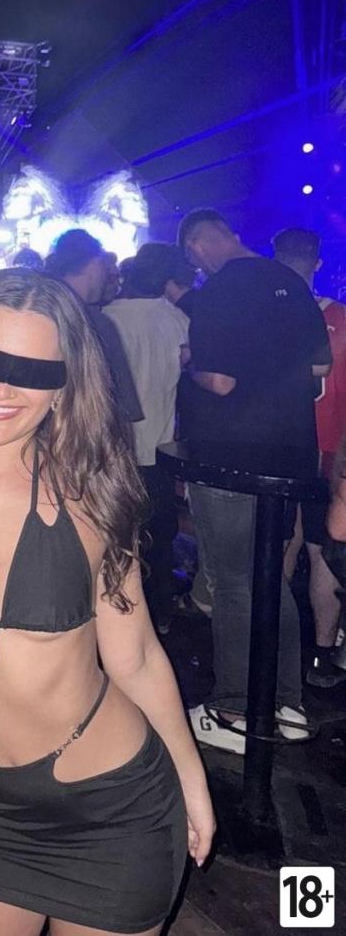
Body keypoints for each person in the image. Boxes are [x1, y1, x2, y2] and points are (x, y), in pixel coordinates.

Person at [0, 268, 212, 936]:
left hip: (112, 813)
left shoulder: (88, 491)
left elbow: (135, 656)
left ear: (65, 385)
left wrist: (192, 778)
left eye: (34, 371)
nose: (4, 389)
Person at [179, 208, 331, 753]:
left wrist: (189, 365)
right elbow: (319, 368)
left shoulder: (218, 291)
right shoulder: (289, 281)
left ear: (198, 245)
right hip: (289, 456)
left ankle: (235, 709)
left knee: (233, 582)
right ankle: (286, 705)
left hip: (230, 456)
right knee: (271, 579)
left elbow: (219, 381)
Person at [104, 243, 191, 633]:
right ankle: (159, 614)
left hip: (116, 448)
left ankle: (118, 616)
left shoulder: (108, 317)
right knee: (161, 534)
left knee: (117, 535)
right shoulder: (177, 319)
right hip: (160, 446)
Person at [273, 227, 346, 687]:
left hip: (278, 447)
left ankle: (270, 641)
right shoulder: (341, 317)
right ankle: (322, 653)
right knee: (323, 550)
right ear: (317, 263)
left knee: (280, 540)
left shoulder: (266, 314)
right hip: (330, 452)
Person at [44, 230, 144, 425]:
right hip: (84, 435)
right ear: (95, 263)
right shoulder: (97, 323)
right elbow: (123, 407)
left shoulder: (38, 309)